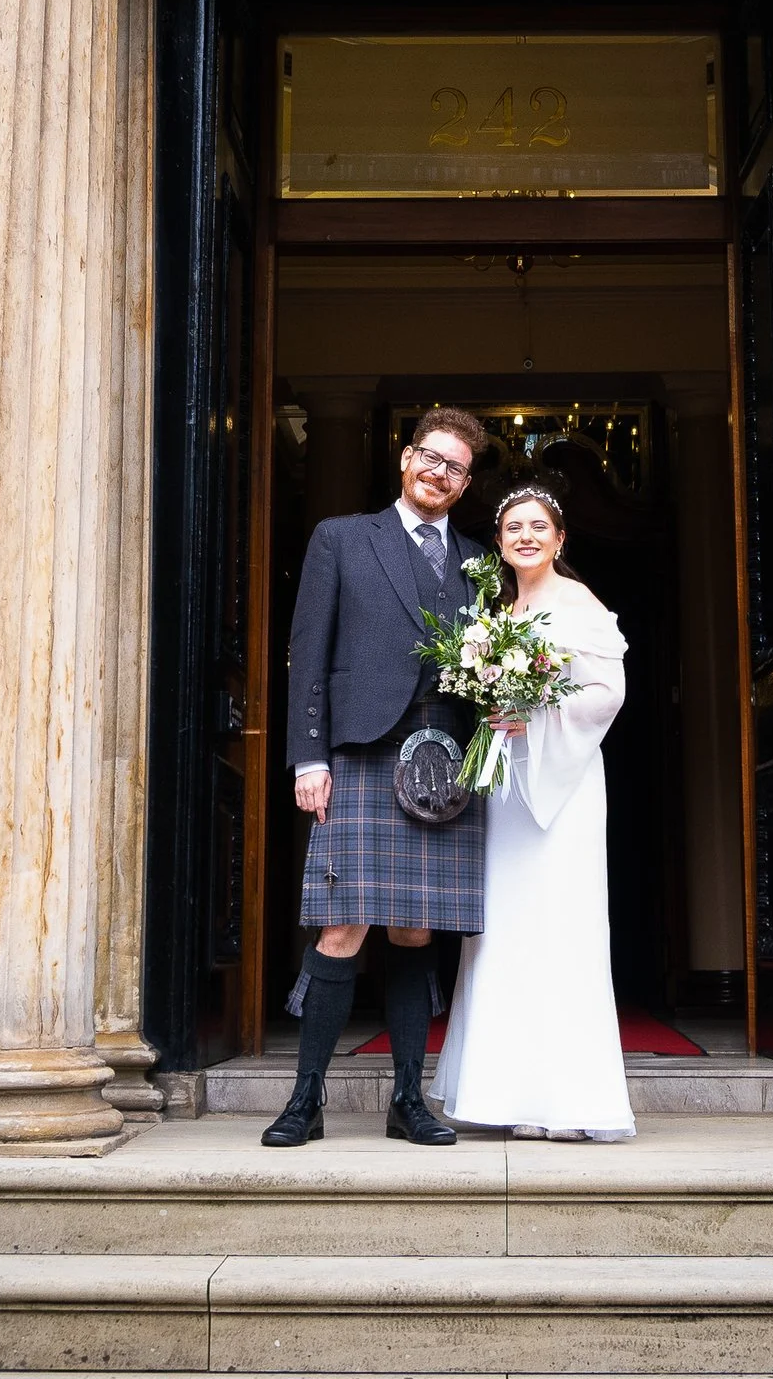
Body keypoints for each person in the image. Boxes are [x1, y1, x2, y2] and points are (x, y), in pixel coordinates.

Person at [263, 406, 493, 1148]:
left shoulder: (475, 562)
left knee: (416, 930)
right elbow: (308, 651)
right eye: (431, 457)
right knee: (342, 928)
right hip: (361, 754)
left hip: (443, 764)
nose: (440, 473)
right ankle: (305, 1101)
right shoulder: (341, 538)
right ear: (405, 458)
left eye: (455, 467)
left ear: (464, 483)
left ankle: (408, 1100)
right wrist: (309, 757)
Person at [431, 482, 634, 1141]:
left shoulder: (577, 601)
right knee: (500, 929)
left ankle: (567, 1102)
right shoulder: (500, 610)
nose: (525, 536)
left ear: (559, 538)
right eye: (513, 527)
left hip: (564, 783)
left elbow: (608, 692)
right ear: (499, 543)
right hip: (508, 787)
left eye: (537, 527)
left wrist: (534, 710)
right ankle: (503, 1095)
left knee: (559, 925)